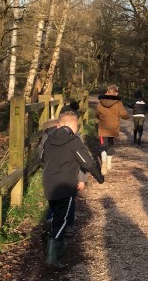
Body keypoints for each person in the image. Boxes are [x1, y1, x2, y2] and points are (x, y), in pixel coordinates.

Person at [41, 110, 104, 269]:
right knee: (62, 219)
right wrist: (99, 177)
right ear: (74, 124)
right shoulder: (73, 140)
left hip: (48, 183)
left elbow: (40, 157)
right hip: (66, 185)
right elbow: (87, 162)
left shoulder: (49, 137)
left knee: (56, 214)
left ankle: (57, 243)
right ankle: (52, 255)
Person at [95, 84, 130, 174]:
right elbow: (123, 114)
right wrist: (128, 116)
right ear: (116, 93)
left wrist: (101, 118)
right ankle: (109, 164)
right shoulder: (118, 103)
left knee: (103, 144)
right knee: (110, 144)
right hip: (113, 127)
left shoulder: (100, 102)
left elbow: (97, 113)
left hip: (103, 126)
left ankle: (103, 162)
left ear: (107, 92)